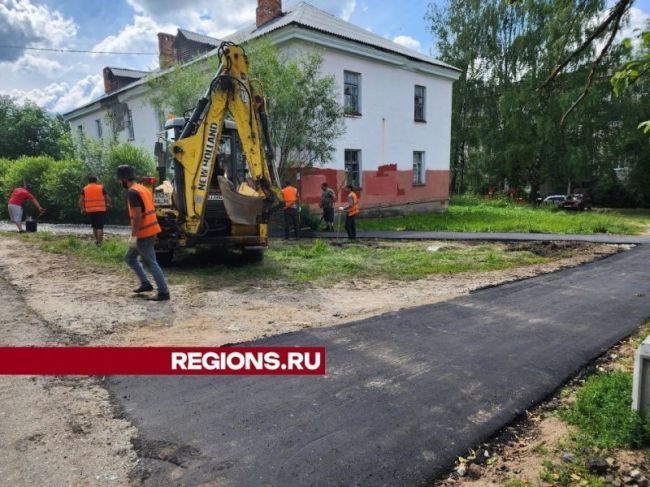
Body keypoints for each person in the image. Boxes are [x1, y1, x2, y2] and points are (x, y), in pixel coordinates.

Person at [116, 165, 170, 301]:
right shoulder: (142, 188)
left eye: (119, 180)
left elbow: (138, 216)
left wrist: (134, 236)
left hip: (143, 233)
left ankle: (163, 292)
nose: (118, 182)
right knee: (130, 258)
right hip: (150, 230)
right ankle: (145, 284)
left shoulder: (132, 192)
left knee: (151, 263)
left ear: (124, 179)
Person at [79, 175, 111, 246]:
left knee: (94, 226)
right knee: (100, 227)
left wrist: (82, 209)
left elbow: (80, 201)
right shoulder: (101, 188)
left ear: (88, 181)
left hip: (90, 210)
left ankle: (96, 241)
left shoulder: (84, 189)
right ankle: (100, 243)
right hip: (101, 210)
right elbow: (108, 198)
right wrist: (108, 204)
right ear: (96, 181)